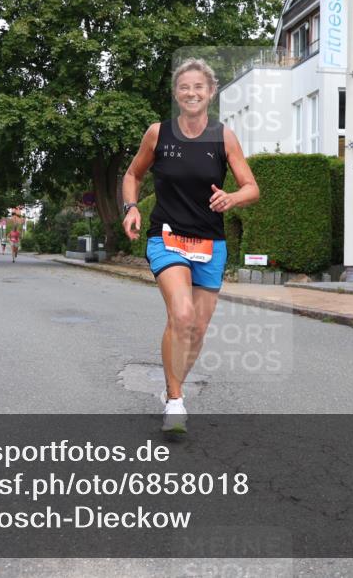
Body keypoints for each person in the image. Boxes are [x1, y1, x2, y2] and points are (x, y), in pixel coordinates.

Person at [122, 58, 260, 435]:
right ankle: (175, 399)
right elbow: (133, 174)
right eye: (184, 87)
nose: (192, 93)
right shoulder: (158, 134)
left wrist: (233, 198)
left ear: (211, 92)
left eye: (199, 87)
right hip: (166, 238)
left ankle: (173, 387)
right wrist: (131, 207)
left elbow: (251, 187)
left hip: (210, 243)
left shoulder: (223, 137)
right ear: (175, 93)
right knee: (181, 315)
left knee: (196, 329)